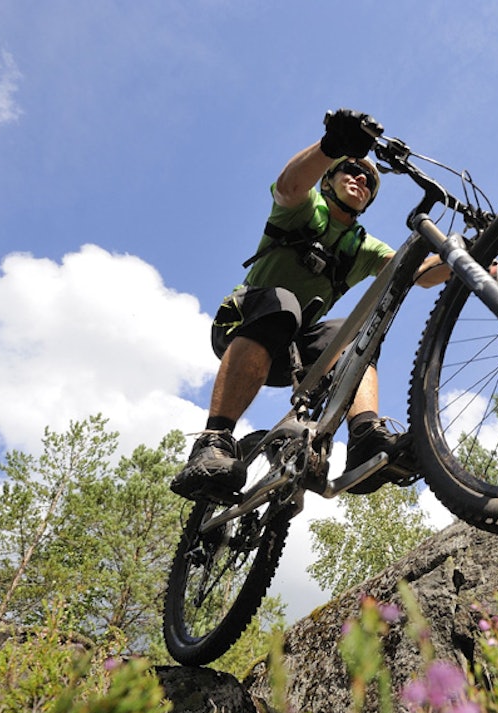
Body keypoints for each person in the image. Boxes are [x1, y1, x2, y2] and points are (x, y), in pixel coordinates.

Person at [171, 109, 447, 502]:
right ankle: (213, 441)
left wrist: (463, 256)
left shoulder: (362, 246)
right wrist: (332, 146)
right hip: (244, 323)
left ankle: (366, 437)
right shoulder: (305, 209)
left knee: (357, 333)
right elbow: (288, 185)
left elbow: (417, 273)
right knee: (283, 304)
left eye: (368, 180)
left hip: (295, 353)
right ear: (328, 179)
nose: (361, 179)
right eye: (349, 171)